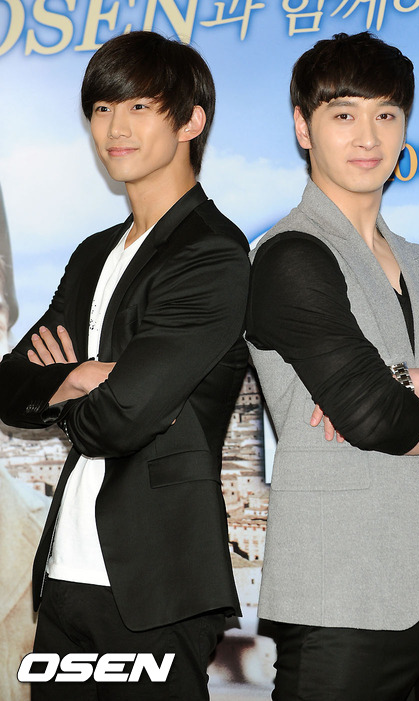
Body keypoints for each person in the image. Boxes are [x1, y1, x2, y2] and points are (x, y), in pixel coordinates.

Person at [246, 32, 419, 701]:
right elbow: (377, 420)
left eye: (386, 114)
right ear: (303, 128)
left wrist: (403, 381)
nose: (368, 136)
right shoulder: (287, 257)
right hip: (342, 595)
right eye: (344, 114)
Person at [0, 30, 249, 700]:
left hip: (155, 581)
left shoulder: (212, 252)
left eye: (140, 106)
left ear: (191, 121)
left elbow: (121, 418)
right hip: (65, 575)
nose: (115, 127)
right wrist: (88, 375)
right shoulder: (92, 254)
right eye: (103, 108)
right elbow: (7, 385)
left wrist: (67, 385)